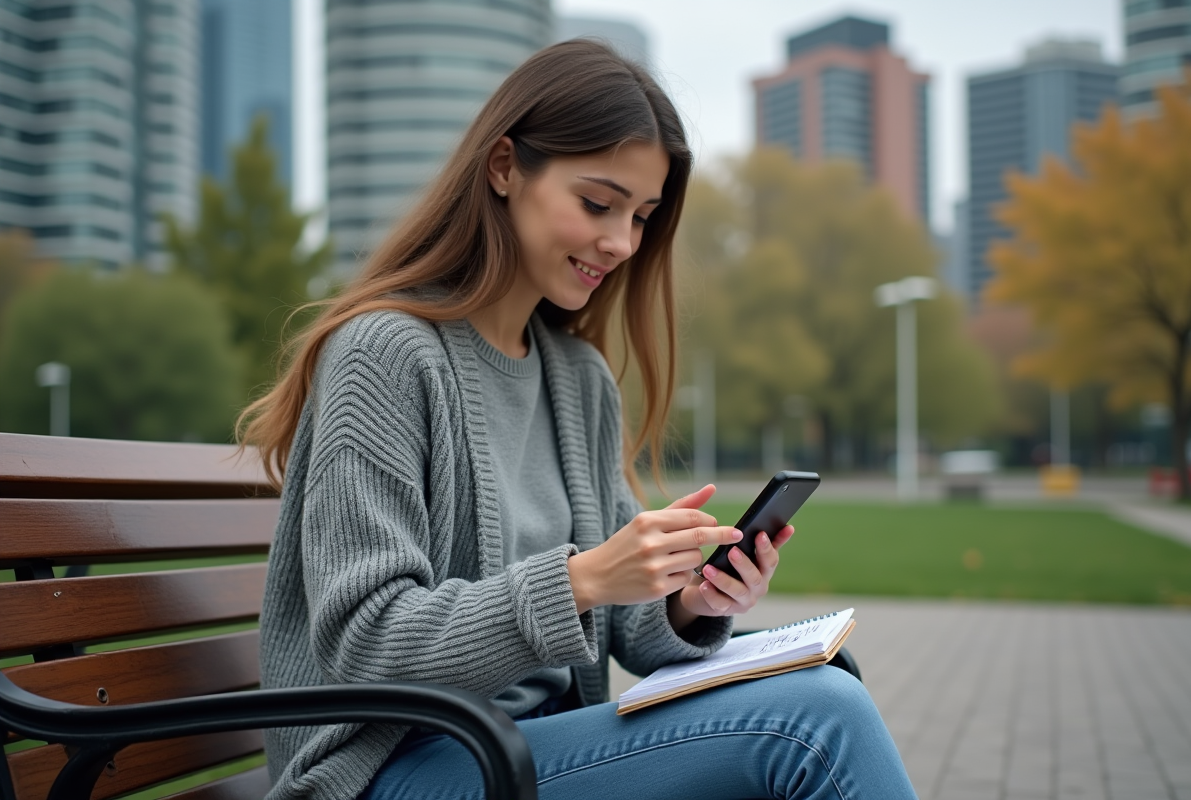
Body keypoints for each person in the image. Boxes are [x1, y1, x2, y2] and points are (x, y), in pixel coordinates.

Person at [242, 40, 917, 800]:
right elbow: (363, 642)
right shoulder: (385, 356)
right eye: (598, 204)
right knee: (813, 719)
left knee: (824, 686)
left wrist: (690, 602)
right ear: (503, 167)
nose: (621, 243)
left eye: (641, 215)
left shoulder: (577, 379)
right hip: (392, 771)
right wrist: (583, 579)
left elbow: (623, 631)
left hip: (527, 751)